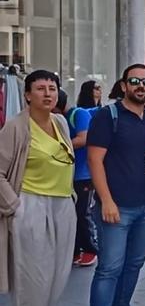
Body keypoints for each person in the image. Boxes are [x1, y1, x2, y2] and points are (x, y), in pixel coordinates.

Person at [0, 70, 76, 306]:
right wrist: (15, 206)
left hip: (62, 205)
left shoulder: (59, 123)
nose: (48, 94)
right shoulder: (15, 128)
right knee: (33, 278)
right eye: (41, 88)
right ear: (28, 94)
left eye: (52, 88)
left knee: (57, 277)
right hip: (31, 205)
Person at [85, 64, 145, 306]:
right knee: (108, 269)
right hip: (115, 207)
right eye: (135, 81)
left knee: (133, 265)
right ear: (124, 85)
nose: (141, 86)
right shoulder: (108, 116)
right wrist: (107, 200)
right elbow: (94, 161)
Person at [60, 88, 98, 267]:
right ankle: (74, 250)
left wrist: (57, 148)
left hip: (83, 173)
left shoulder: (79, 114)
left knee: (82, 213)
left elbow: (84, 139)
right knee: (70, 214)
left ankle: (90, 249)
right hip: (67, 173)